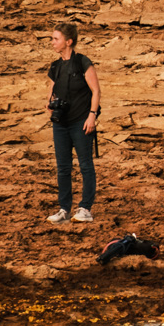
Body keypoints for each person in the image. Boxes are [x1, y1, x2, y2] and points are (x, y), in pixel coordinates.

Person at [45, 20, 103, 222]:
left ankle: (85, 208)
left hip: (81, 121)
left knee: (85, 165)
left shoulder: (82, 62)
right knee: (63, 167)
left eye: (55, 39)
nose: (52, 42)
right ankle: (64, 209)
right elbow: (51, 91)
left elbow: (96, 91)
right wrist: (50, 104)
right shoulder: (55, 66)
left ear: (68, 42)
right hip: (61, 124)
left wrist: (92, 116)